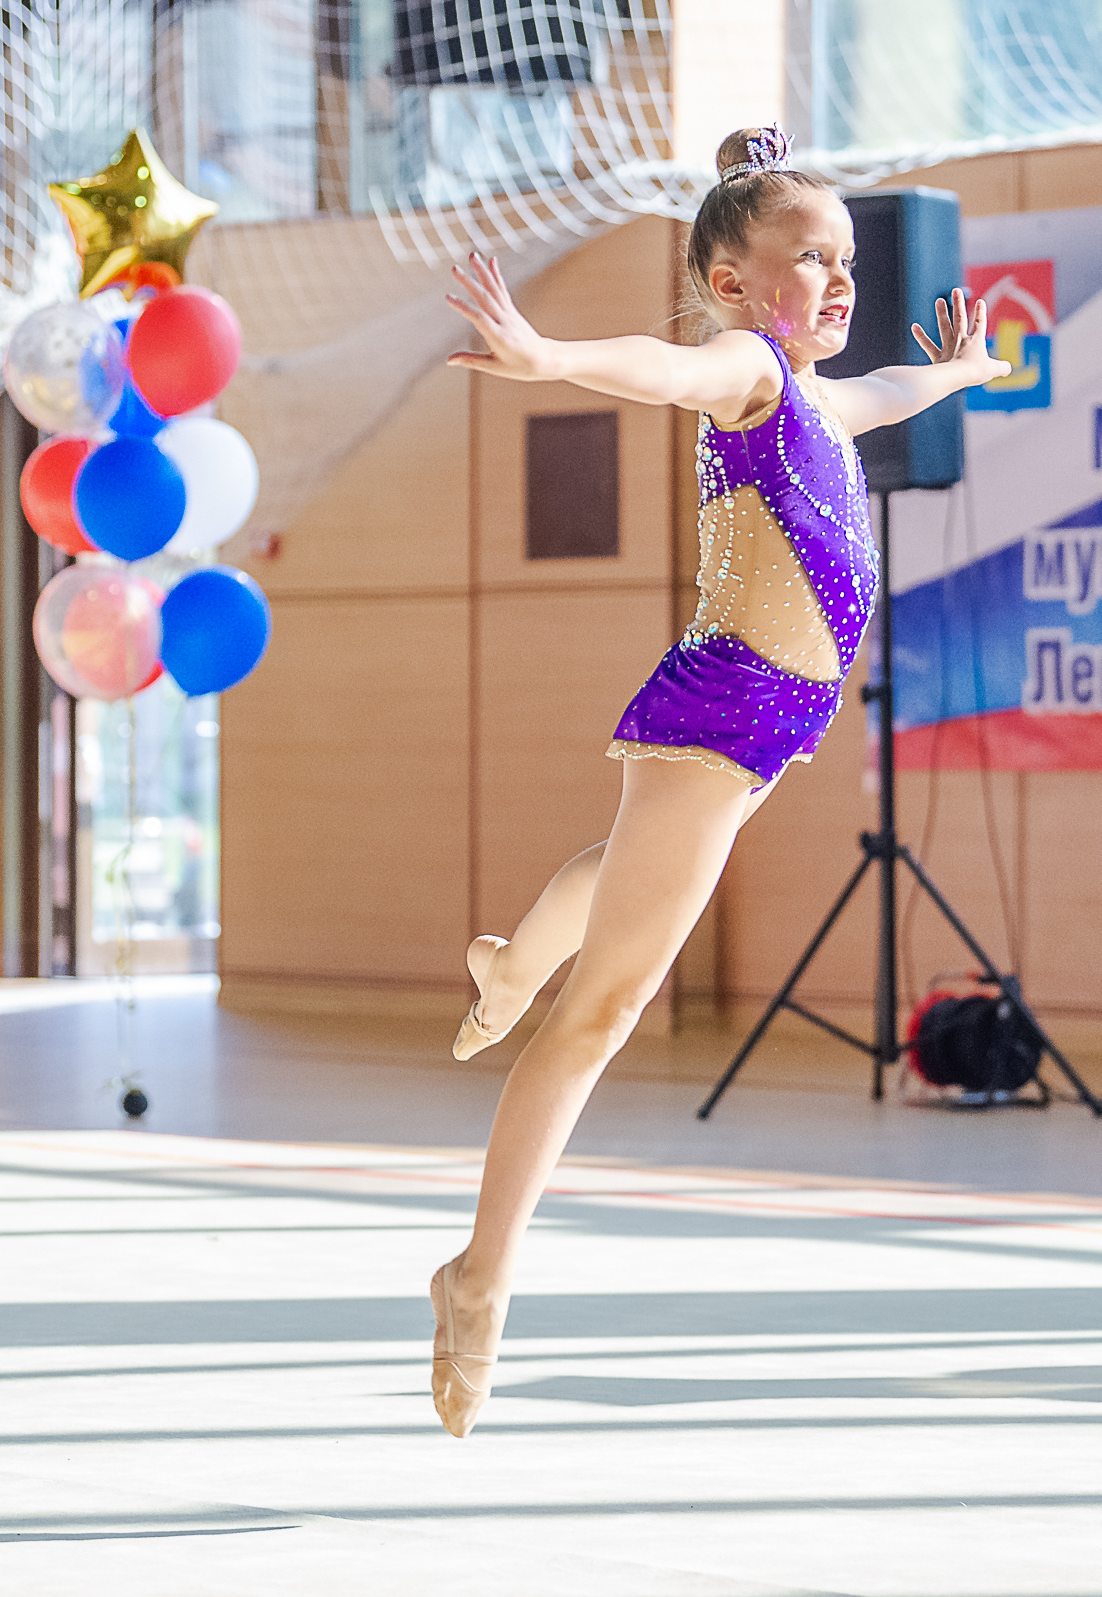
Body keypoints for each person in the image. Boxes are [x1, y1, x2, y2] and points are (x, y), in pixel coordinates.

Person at [426, 125, 1008, 1437]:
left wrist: (960, 370)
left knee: (624, 878)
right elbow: (667, 365)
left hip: (753, 725)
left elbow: (885, 398)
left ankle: (512, 962)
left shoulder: (814, 396)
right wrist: (554, 356)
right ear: (737, 283)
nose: (842, 279)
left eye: (849, 258)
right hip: (732, 709)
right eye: (813, 257)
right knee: (607, 1012)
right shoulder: (746, 367)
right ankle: (480, 1274)